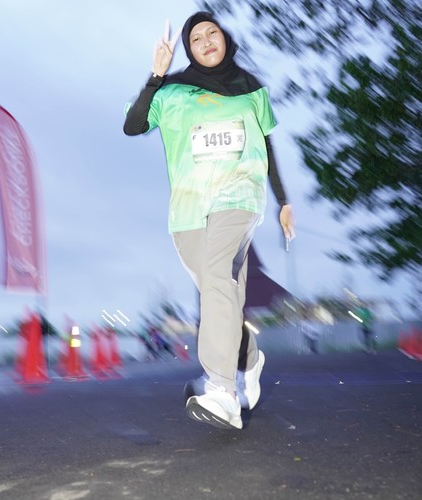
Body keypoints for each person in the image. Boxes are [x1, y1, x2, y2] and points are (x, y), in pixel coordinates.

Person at [124, 11, 295, 430]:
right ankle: (248, 359)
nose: (205, 41)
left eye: (211, 32)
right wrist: (155, 75)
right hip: (188, 208)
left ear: (225, 38)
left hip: (239, 197)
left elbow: (267, 145)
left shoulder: (251, 88)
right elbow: (133, 125)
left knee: (218, 276)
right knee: (220, 295)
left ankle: (221, 390)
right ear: (189, 49)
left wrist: (283, 200)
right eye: (196, 38)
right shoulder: (171, 89)